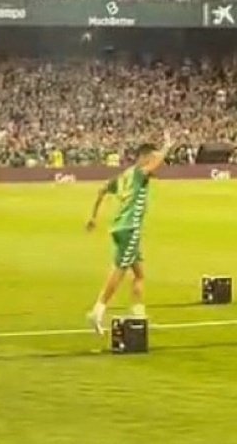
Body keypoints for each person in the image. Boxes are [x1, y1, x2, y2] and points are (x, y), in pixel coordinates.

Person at [84, 132, 172, 334]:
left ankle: (138, 314)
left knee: (139, 274)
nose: (155, 165)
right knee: (120, 269)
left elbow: (102, 189)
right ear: (145, 157)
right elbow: (156, 164)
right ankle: (98, 310)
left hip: (121, 227)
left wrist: (93, 217)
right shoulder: (139, 174)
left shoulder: (125, 175)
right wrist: (167, 146)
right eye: (152, 159)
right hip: (129, 228)